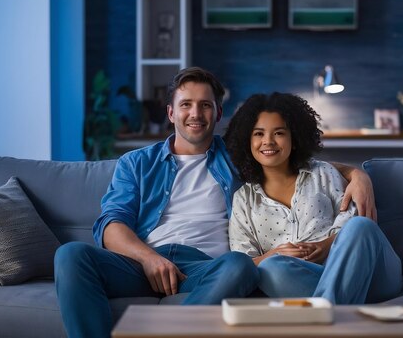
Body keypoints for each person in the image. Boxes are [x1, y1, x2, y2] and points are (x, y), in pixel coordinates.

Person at [54, 68, 376, 338]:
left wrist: (357, 174)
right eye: (186, 105)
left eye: (205, 105)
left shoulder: (235, 155)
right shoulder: (136, 163)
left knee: (240, 264)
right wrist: (149, 258)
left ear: (218, 113)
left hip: (209, 268)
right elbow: (111, 225)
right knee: (71, 254)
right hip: (142, 264)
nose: (195, 114)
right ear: (171, 112)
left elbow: (291, 160)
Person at [224, 92, 402, 304]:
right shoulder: (243, 199)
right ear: (247, 140)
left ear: (295, 138)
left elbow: (356, 230)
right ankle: (335, 305)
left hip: (369, 273)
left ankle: (327, 310)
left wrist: (325, 246)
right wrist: (275, 254)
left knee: (361, 226)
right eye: (258, 134)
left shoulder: (323, 173)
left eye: (279, 133)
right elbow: (244, 263)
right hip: (306, 280)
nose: (268, 141)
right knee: (271, 268)